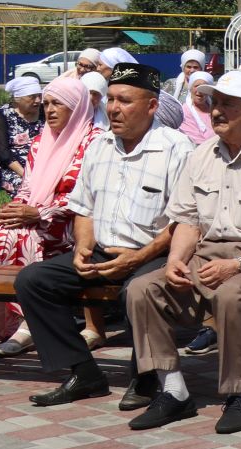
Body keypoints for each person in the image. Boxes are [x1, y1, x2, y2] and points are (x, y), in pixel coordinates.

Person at [124, 72, 241, 433]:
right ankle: (174, 391)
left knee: (232, 292)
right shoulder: (200, 155)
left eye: (229, 103)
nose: (217, 111)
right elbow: (187, 221)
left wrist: (237, 264)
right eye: (214, 102)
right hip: (206, 253)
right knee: (142, 289)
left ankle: (240, 396)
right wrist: (176, 260)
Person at [17, 63, 193, 408]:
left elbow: (184, 219)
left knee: (137, 292)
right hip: (102, 250)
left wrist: (140, 257)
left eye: (125, 100)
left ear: (152, 106)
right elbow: (84, 208)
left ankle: (145, 378)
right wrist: (83, 247)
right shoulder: (100, 146)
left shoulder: (177, 148)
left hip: (155, 253)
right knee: (34, 280)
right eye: (110, 99)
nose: (113, 108)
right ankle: (83, 372)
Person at [0, 73, 102, 356]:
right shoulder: (41, 141)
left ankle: (29, 325)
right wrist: (18, 208)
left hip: (78, 223)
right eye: (47, 103)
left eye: (58, 104)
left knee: (28, 236)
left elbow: (86, 195)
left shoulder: (96, 142)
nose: (49, 110)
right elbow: (28, 185)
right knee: (5, 231)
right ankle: (13, 320)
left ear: (76, 106)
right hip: (39, 215)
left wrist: (38, 213)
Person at [0, 74, 46, 197]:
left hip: (45, 166)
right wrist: (27, 176)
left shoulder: (45, 110)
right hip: (16, 169)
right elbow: (3, 153)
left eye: (39, 96)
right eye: (32, 97)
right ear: (17, 99)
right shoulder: (1, 114)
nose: (38, 100)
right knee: (31, 192)